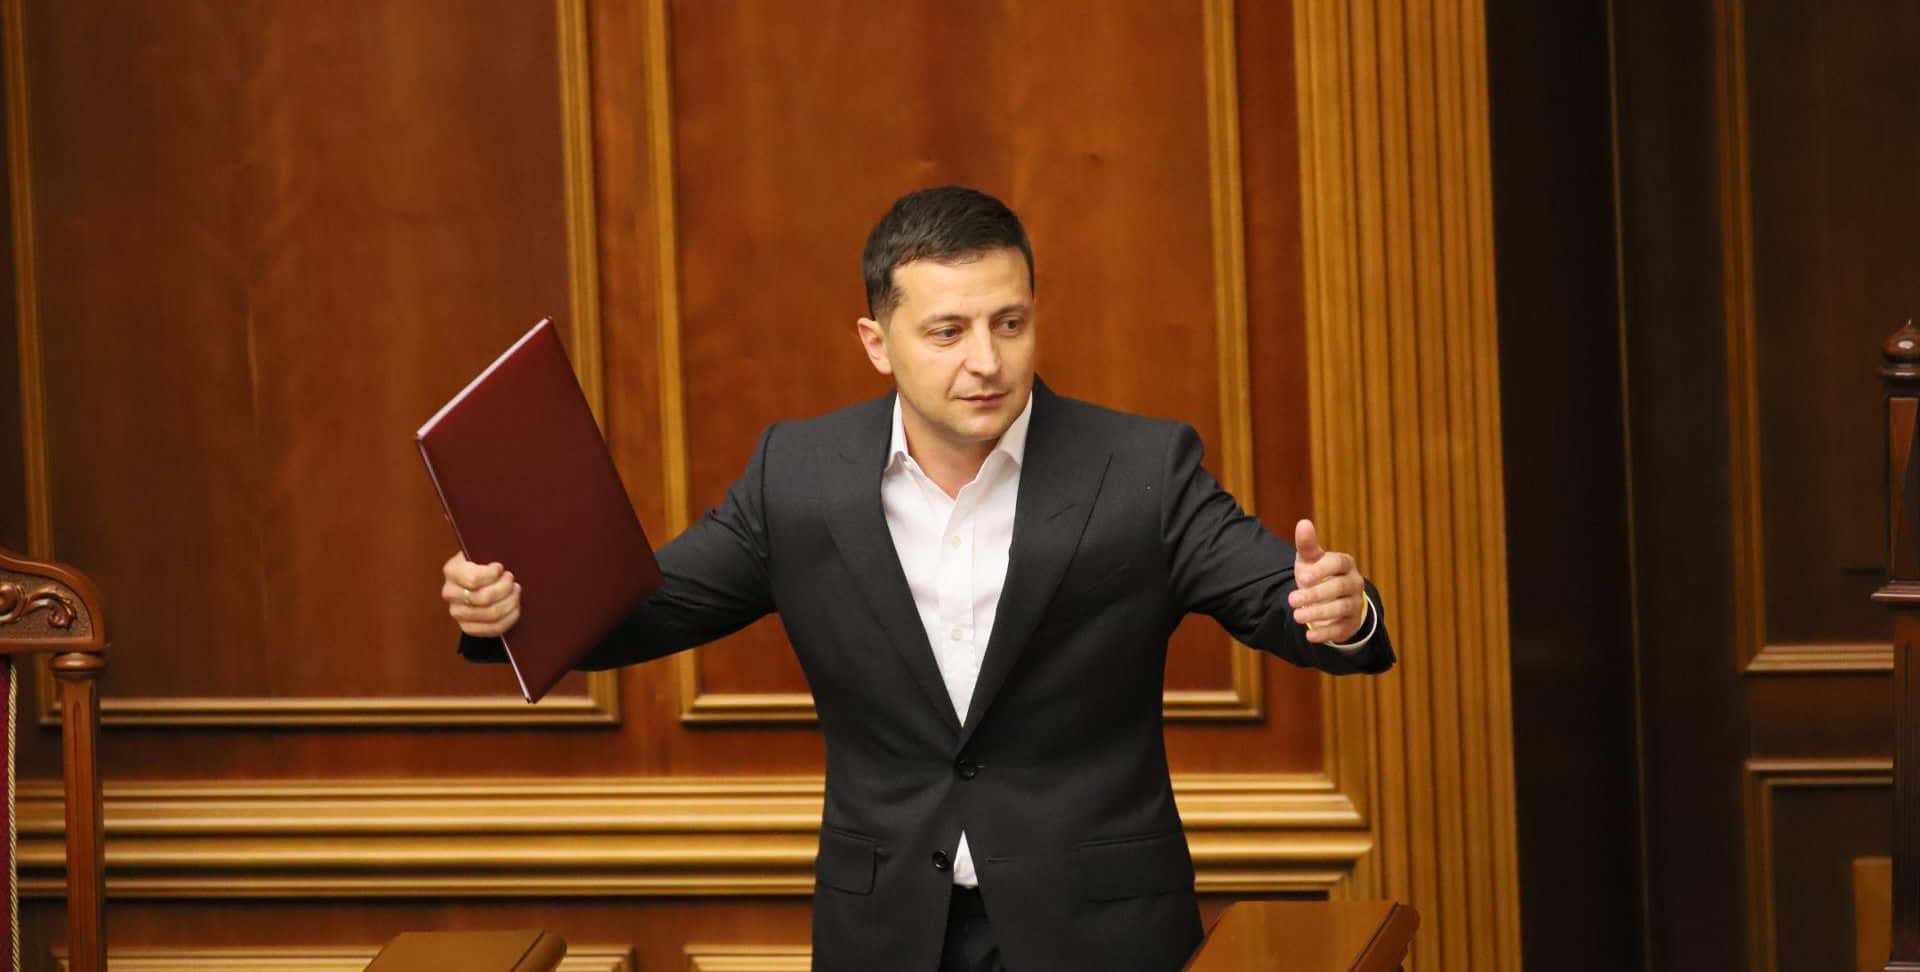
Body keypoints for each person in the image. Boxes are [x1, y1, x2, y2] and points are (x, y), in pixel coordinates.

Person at [443, 186, 1395, 972]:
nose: (987, 361)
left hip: (1099, 931)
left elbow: (1281, 597)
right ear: (876, 341)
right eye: (947, 331)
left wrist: (1338, 610)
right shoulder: (797, 476)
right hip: (887, 930)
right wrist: (509, 609)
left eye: (1010, 323)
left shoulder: (1142, 468)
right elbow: (640, 611)